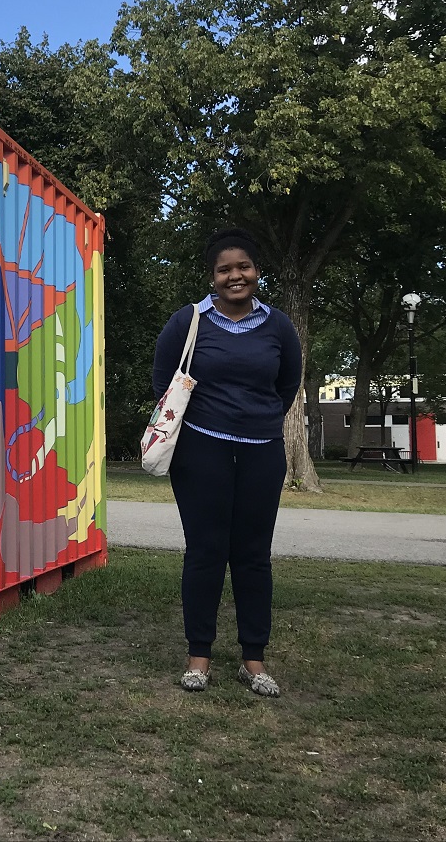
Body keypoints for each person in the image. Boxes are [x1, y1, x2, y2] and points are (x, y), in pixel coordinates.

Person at [152, 228, 301, 697]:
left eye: (244, 267)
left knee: (253, 555)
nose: (235, 275)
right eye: (225, 269)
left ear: (257, 271)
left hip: (261, 450)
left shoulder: (278, 326)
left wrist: (256, 421)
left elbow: (287, 384)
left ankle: (253, 660)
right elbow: (164, 377)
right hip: (201, 450)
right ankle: (199, 656)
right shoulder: (188, 321)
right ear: (212, 276)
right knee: (205, 550)